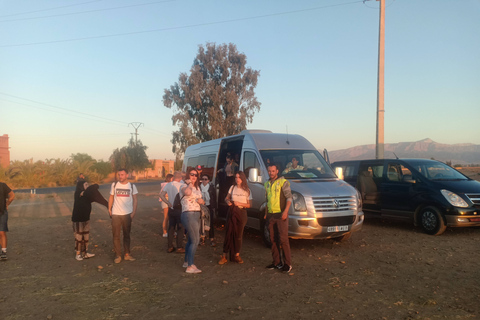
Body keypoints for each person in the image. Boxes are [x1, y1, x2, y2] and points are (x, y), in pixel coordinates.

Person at [264, 163, 293, 272]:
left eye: (273, 171)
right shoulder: (266, 184)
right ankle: (277, 262)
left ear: (277, 171)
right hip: (271, 216)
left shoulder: (283, 182)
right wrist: (266, 213)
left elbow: (289, 198)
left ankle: (287, 264)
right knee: (273, 239)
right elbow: (267, 200)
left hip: (281, 215)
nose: (271, 173)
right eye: (269, 171)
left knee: (283, 240)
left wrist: (285, 212)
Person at [218, 171, 251, 265]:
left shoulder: (247, 190)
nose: (237, 179)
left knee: (238, 235)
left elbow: (249, 205)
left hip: (241, 213)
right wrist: (227, 201)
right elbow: (226, 198)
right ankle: (224, 255)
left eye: (239, 177)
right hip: (232, 212)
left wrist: (239, 203)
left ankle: (236, 255)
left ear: (243, 178)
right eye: (236, 177)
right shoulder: (232, 188)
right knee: (228, 233)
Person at [71, 181, 108, 261]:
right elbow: (90, 190)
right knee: (79, 237)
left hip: (86, 219)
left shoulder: (87, 195)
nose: (87, 186)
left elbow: (96, 198)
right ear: (81, 186)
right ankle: (78, 254)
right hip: (78, 220)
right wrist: (95, 186)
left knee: (86, 237)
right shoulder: (78, 193)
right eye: (86, 185)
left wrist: (106, 203)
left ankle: (85, 253)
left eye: (88, 184)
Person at [108, 168, 138, 264]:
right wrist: (109, 209)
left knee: (126, 235)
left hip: (127, 214)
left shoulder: (132, 186)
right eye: (119, 174)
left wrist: (133, 212)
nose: (120, 176)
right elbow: (111, 197)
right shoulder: (114, 185)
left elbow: (135, 199)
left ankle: (127, 254)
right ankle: (117, 255)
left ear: (127, 175)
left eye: (122, 174)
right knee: (116, 235)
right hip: (116, 214)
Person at [180, 168, 205, 274]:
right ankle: (190, 266)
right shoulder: (183, 186)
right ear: (188, 175)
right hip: (188, 214)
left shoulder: (197, 187)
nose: (194, 177)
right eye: (192, 174)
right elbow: (187, 192)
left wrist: (201, 201)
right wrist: (190, 183)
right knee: (196, 240)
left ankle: (186, 261)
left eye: (195, 175)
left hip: (196, 214)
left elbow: (202, 200)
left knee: (191, 239)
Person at [159, 171, 185, 253]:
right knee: (180, 228)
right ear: (181, 178)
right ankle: (179, 247)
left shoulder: (168, 184)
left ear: (173, 177)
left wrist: (167, 203)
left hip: (171, 208)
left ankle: (170, 246)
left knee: (171, 227)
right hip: (180, 209)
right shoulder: (182, 185)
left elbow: (161, 195)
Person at [200, 174, 217, 246]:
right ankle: (202, 238)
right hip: (201, 206)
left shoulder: (211, 187)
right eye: (203, 179)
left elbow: (214, 198)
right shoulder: (198, 187)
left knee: (210, 222)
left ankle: (211, 238)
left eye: (205, 179)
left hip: (209, 206)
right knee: (201, 222)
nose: (204, 180)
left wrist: (214, 208)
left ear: (208, 180)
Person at [0, 181, 14, 261]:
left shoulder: (3, 185)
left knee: (2, 232)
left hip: (2, 212)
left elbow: (12, 195)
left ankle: (4, 252)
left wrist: (7, 204)